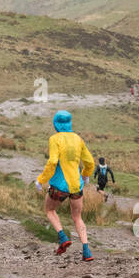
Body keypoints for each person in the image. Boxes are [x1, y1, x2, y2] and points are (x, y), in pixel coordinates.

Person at [36, 110, 95, 262]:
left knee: (49, 210)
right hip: (76, 185)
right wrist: (85, 175)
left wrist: (41, 180)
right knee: (77, 217)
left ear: (55, 124)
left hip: (59, 186)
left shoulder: (54, 139)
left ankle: (62, 237)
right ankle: (86, 250)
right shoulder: (77, 139)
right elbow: (90, 162)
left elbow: (53, 161)